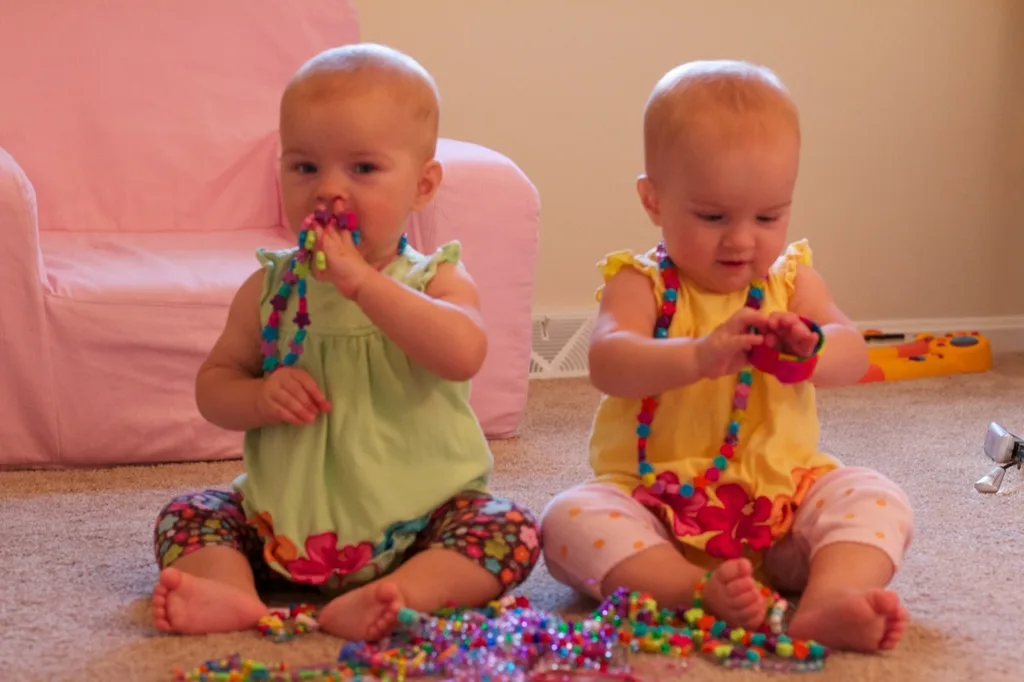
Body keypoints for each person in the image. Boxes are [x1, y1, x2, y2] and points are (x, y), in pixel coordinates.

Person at [150, 43, 540, 642]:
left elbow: (464, 352)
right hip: (282, 526)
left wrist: (363, 284)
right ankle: (232, 592)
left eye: (362, 169)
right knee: (189, 515)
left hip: (422, 526)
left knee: (509, 528)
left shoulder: (434, 277)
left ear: (422, 185)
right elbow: (214, 387)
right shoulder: (270, 289)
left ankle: (399, 594)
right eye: (305, 167)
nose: (328, 189)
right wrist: (258, 397)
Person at [540, 60, 913, 653]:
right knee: (567, 520)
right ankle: (694, 590)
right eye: (713, 217)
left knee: (876, 496)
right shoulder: (641, 283)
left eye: (768, 216)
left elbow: (853, 355)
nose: (741, 239)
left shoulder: (792, 281)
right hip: (657, 507)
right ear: (653, 200)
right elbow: (608, 362)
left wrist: (811, 350)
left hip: (784, 510)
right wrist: (696, 356)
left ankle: (830, 598)